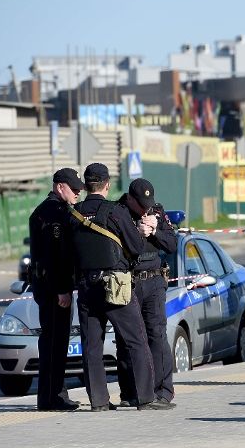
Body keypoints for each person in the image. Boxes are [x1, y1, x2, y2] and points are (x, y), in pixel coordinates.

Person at [69, 163, 172, 411]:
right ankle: (146, 397)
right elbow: (136, 246)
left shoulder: (73, 213)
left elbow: (68, 252)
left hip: (85, 285)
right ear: (106, 185)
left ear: (85, 186)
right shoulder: (115, 212)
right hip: (115, 284)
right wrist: (141, 232)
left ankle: (99, 401)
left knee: (92, 345)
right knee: (136, 340)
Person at [115, 178, 178, 407]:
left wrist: (154, 232)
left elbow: (172, 244)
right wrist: (136, 232)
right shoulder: (118, 212)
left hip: (153, 280)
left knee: (156, 335)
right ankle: (130, 393)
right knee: (127, 339)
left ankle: (163, 392)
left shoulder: (157, 212)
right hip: (128, 282)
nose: (146, 208)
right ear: (130, 199)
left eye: (148, 204)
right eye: (141, 204)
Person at [28, 168, 85, 411]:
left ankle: (52, 396)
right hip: (54, 290)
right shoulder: (54, 214)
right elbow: (55, 258)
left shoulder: (46, 210)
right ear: (60, 186)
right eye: (74, 190)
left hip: (47, 287)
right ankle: (53, 398)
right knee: (54, 344)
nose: (78, 194)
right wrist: (62, 289)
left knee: (54, 342)